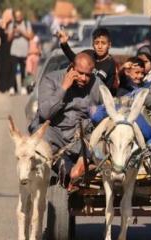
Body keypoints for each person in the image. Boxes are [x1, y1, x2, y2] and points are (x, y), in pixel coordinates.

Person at [31, 52, 104, 189]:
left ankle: (83, 163)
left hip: (81, 137)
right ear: (71, 67)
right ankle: (71, 171)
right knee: (40, 137)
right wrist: (63, 88)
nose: (83, 78)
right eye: (80, 73)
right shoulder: (51, 80)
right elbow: (45, 113)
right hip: (56, 134)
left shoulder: (96, 83)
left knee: (101, 136)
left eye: (88, 75)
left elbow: (107, 109)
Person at [57, 27, 118, 95]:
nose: (100, 46)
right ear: (93, 45)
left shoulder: (110, 64)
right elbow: (75, 59)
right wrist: (64, 44)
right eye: (97, 43)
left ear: (109, 45)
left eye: (103, 43)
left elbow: (107, 91)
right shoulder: (88, 54)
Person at [8, 10, 33, 95]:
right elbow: (8, 39)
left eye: (19, 15)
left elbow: (30, 37)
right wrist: (13, 32)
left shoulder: (27, 24)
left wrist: (21, 31)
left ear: (22, 16)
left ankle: (23, 87)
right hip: (14, 51)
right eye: (16, 16)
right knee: (13, 70)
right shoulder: (12, 25)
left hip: (24, 52)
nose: (18, 17)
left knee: (23, 71)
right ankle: (11, 88)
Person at [0, 9, 13, 93]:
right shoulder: (1, 22)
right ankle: (0, 87)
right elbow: (0, 33)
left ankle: (7, 86)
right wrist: (4, 24)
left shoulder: (12, 24)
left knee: (8, 68)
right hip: (0, 49)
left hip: (9, 49)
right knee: (0, 68)